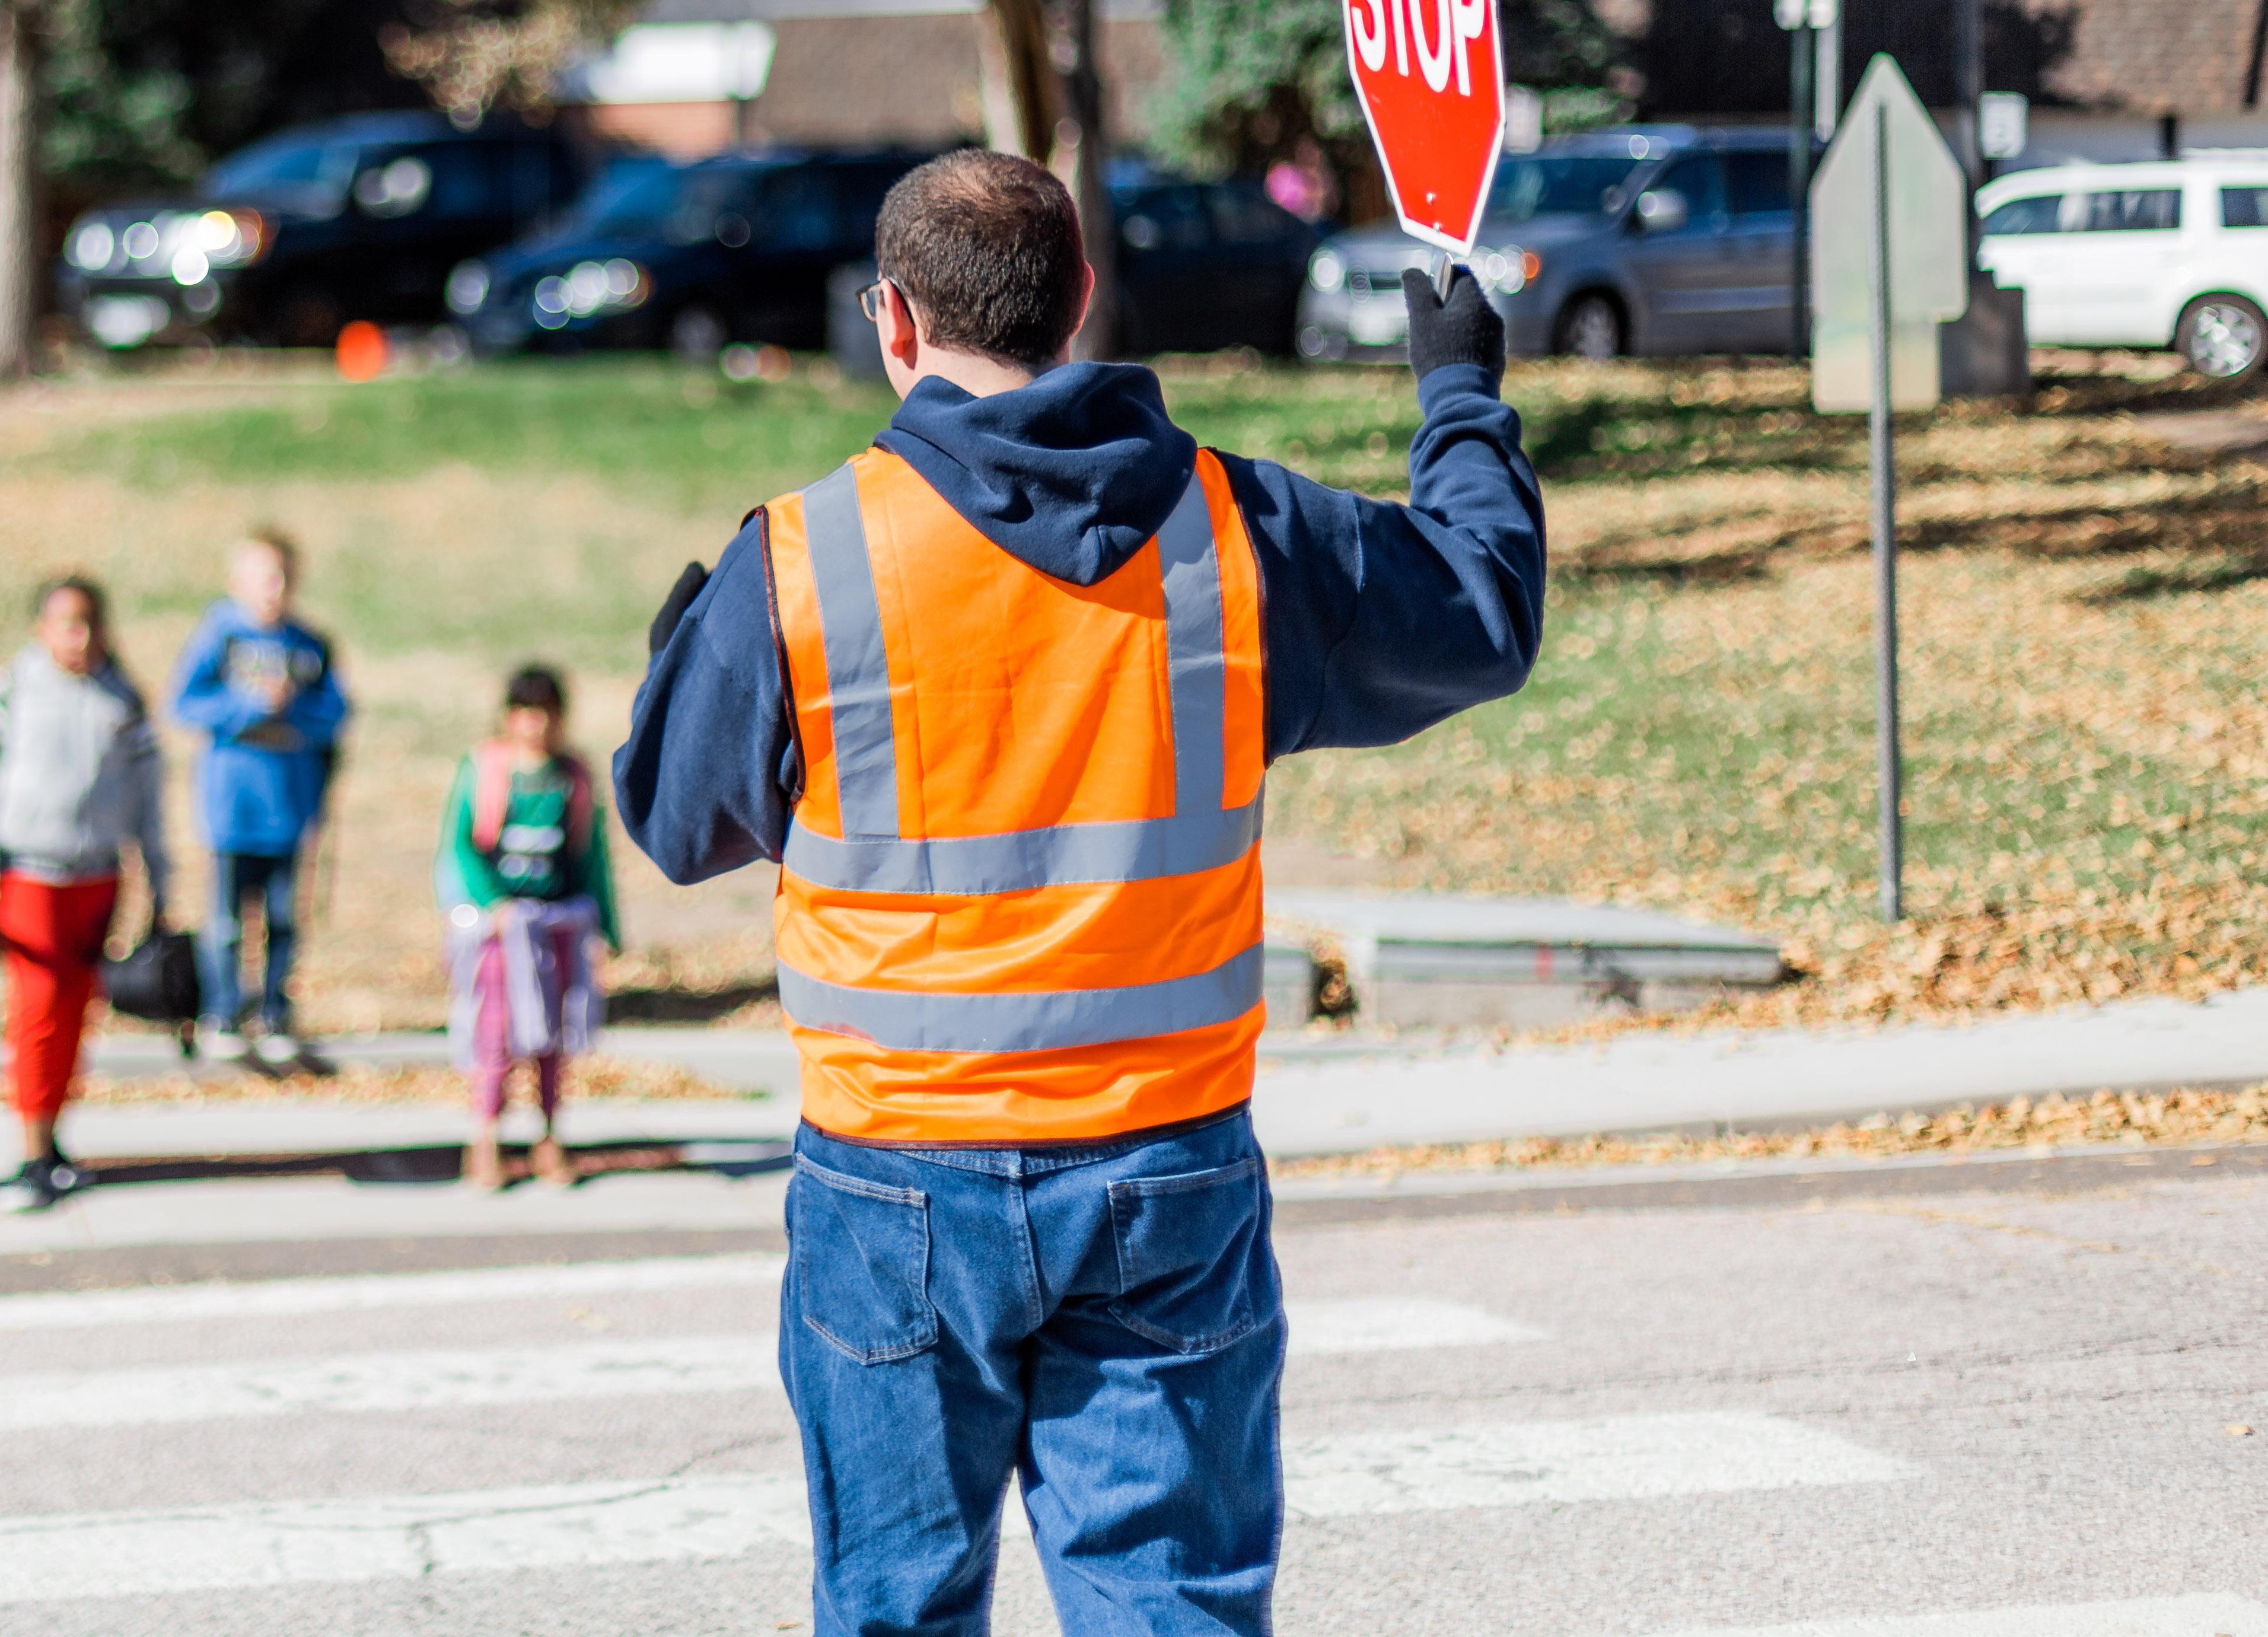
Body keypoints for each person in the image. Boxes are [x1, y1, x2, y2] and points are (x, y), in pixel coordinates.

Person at [616, 148, 1544, 1635]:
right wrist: (1457, 392)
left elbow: (672, 818)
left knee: (896, 1609)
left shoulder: (799, 558)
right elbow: (1479, 610)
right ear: (1080, 299)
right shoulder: (1232, 532)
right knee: (1164, 1604)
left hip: (894, 1176)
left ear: (892, 322)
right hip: (1160, 1164)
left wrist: (688, 648)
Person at [0, 577, 170, 1213]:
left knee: (75, 1011)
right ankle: (30, 1152)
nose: (80, 637)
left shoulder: (121, 698)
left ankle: (52, 1138)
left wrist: (164, 886)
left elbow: (149, 805)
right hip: (29, 876)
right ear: (42, 627)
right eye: (66, 623)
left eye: (90, 622)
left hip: (98, 875)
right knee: (36, 1009)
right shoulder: (6, 691)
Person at [435, 664, 620, 1193]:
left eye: (545, 712)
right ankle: (485, 1140)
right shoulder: (486, 769)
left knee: (551, 1038)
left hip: (556, 925)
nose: (534, 724)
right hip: (500, 930)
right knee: (494, 1032)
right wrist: (492, 903)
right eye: (524, 712)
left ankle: (547, 1136)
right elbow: (459, 846)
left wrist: (606, 923)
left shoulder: (572, 777)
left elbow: (591, 856)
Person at [170, 529, 348, 1068]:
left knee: (283, 922)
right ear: (236, 580)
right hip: (230, 812)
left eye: (284, 576)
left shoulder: (309, 646)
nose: (274, 587)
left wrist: (293, 710)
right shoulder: (219, 638)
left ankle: (274, 1012)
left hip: (289, 811)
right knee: (224, 922)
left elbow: (336, 713)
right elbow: (184, 704)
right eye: (262, 575)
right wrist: (249, 705)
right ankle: (222, 1014)